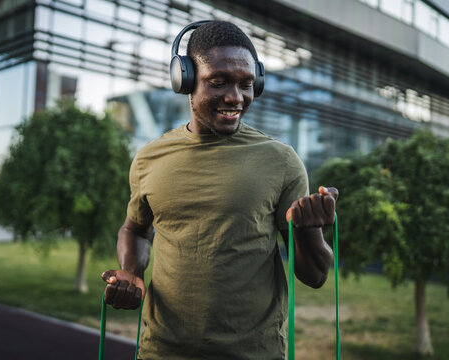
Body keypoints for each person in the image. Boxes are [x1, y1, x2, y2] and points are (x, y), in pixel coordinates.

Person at [102, 20, 338, 359]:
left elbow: (315, 276)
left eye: (246, 84)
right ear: (184, 79)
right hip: (161, 351)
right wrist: (130, 273)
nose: (235, 97)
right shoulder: (148, 158)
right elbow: (136, 230)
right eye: (219, 82)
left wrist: (308, 231)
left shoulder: (282, 161)